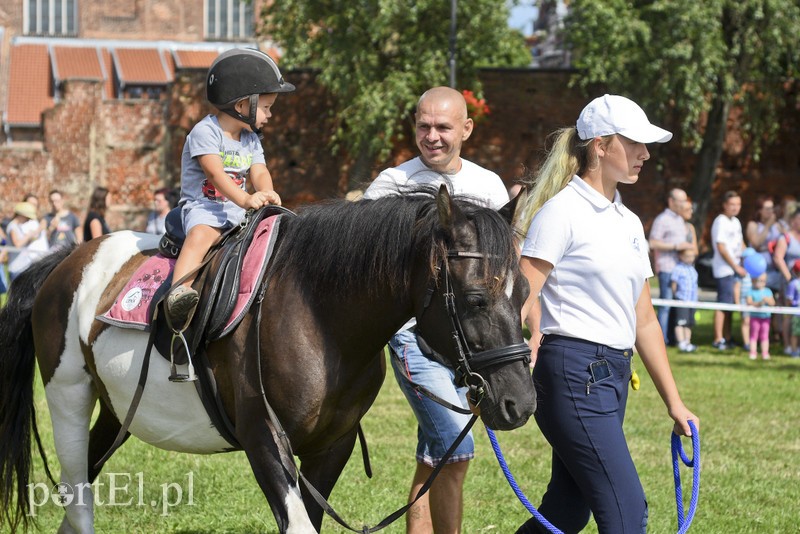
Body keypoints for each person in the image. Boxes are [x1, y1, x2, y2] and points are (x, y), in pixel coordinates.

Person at [517, 94, 698, 533]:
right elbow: (521, 295)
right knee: (626, 513)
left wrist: (674, 402)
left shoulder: (629, 222)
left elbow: (646, 320)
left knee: (566, 509)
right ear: (600, 146)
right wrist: (519, 348)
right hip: (571, 374)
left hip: (611, 377)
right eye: (635, 143)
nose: (645, 154)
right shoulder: (561, 212)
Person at [363, 86, 509, 534]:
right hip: (413, 336)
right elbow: (365, 269)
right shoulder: (391, 185)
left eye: (443, 127)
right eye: (424, 126)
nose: (432, 136)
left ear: (466, 128)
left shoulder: (489, 188)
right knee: (455, 447)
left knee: (436, 457)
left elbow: (503, 269)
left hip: (469, 343)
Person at [166, 48, 293, 329]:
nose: (270, 115)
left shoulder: (250, 139)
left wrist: (267, 193)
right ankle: (178, 293)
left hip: (238, 209)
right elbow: (215, 174)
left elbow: (258, 170)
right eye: (267, 107)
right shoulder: (205, 132)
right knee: (201, 235)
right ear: (242, 105)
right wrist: (246, 198)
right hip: (205, 207)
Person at [648, 188, 690, 343]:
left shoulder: (680, 220)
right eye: (681, 200)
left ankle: (673, 337)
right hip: (667, 268)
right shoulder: (662, 219)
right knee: (665, 304)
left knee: (676, 305)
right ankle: (661, 339)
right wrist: (675, 246)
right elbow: (653, 242)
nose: (684, 204)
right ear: (671, 201)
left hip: (680, 269)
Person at [710, 191, 747, 350]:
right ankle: (718, 339)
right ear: (725, 205)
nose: (735, 207)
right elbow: (721, 247)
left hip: (736, 270)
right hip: (724, 270)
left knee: (731, 306)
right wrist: (735, 266)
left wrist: (747, 259)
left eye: (738, 204)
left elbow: (741, 244)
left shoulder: (736, 222)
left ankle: (728, 337)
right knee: (723, 304)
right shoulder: (721, 221)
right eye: (732, 204)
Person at [772, 208, 800, 354]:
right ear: (794, 220)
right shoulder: (786, 237)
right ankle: (788, 345)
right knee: (789, 313)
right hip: (790, 282)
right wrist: (790, 278)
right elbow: (778, 257)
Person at [7, 201, 48, 280]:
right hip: (16, 268)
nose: (28, 220)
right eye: (28, 217)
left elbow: (25, 242)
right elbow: (18, 244)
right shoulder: (12, 226)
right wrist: (30, 235)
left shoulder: (18, 227)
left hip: (24, 267)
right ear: (21, 215)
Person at [671, 247, 699, 352]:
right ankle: (681, 342)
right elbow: (674, 284)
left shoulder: (692, 269)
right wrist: (676, 296)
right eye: (688, 256)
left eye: (692, 256)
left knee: (689, 323)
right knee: (680, 322)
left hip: (692, 301)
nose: (690, 258)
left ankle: (687, 342)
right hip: (682, 300)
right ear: (681, 256)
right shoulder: (678, 269)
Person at [745, 272, 776, 360]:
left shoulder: (768, 291)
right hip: (754, 317)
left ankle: (765, 352)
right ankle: (753, 352)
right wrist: (758, 303)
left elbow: (773, 303)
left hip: (766, 318)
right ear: (753, 281)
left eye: (762, 281)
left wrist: (767, 300)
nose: (760, 283)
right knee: (753, 335)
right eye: (758, 281)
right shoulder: (751, 290)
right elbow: (749, 302)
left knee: (765, 335)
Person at [784, 259, 800, 358]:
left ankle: (796, 349)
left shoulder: (793, 283)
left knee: (796, 333)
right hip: (796, 313)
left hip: (796, 313)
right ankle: (794, 351)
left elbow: (789, 299)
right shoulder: (793, 284)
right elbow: (789, 300)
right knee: (795, 333)